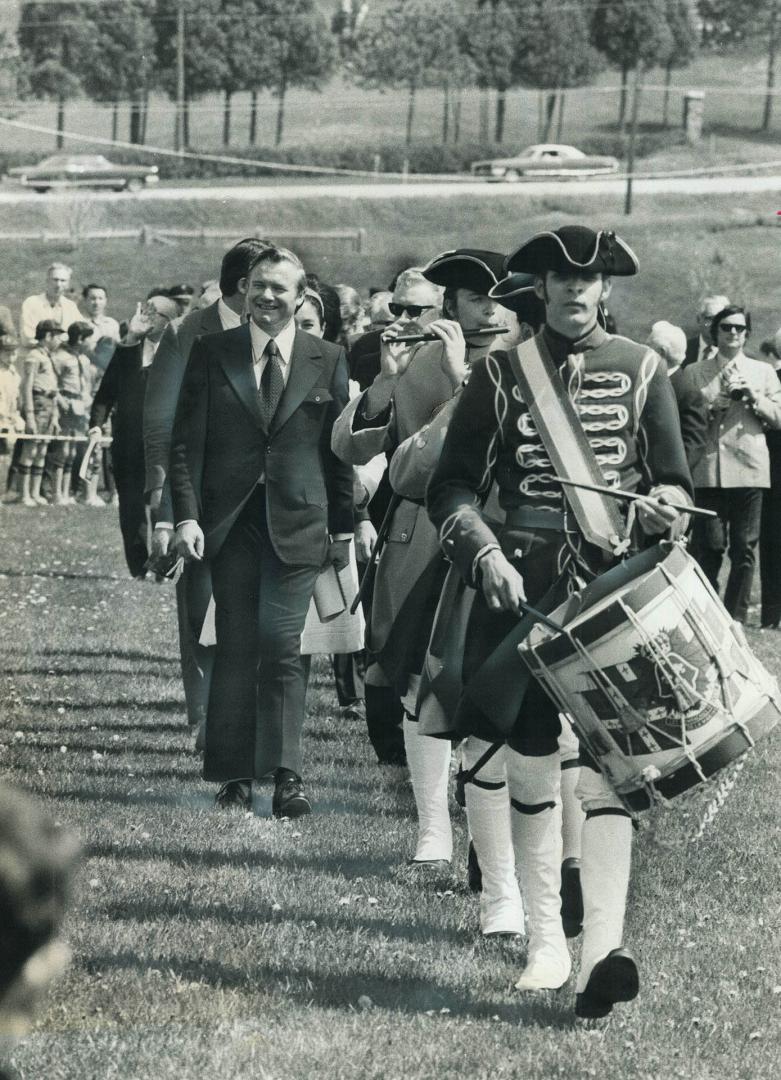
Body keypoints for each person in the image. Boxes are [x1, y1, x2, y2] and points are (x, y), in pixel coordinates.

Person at [426, 225, 692, 1014]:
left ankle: (599, 955)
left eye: (592, 279)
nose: (577, 291)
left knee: (616, 767)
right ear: (538, 288)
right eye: (562, 279)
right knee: (533, 760)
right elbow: (450, 490)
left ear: (606, 288)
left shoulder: (644, 368)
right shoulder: (503, 373)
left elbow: (670, 480)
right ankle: (546, 941)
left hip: (616, 587)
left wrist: (668, 510)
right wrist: (484, 556)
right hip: (526, 583)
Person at [332, 248, 508, 867]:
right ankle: (432, 831)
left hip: (501, 542)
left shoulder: (525, 361)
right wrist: (384, 381)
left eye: (497, 295)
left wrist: (468, 382)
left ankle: (493, 843)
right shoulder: (421, 357)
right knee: (416, 680)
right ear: (453, 304)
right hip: (421, 537)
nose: (489, 308)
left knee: (495, 685)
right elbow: (367, 453)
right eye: (474, 297)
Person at [170, 245, 354, 817]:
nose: (268, 297)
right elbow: (184, 446)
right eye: (259, 287)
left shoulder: (328, 358)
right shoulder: (211, 352)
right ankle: (235, 775)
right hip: (230, 525)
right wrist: (186, 515)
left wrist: (346, 526)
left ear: (302, 297)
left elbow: (340, 453)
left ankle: (286, 774)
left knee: (280, 646)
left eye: (281, 288)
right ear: (244, 292)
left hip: (301, 523)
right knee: (236, 646)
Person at [144, 238, 271, 735]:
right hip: (198, 499)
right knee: (200, 613)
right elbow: (161, 426)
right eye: (264, 283)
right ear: (243, 285)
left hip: (264, 500)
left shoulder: (275, 329)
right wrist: (164, 514)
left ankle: (251, 720)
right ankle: (205, 720)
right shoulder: (186, 333)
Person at [677, 305, 781, 623]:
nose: (733, 333)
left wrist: (753, 396)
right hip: (708, 470)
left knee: (744, 548)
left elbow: (778, 418)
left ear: (747, 334)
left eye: (739, 328)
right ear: (715, 332)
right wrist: (716, 402)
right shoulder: (695, 372)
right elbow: (688, 419)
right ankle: (707, 614)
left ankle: (733, 616)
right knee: (709, 546)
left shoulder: (763, 372)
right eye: (726, 327)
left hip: (750, 469)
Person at [89, 295, 179, 578]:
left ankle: (164, 566)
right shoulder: (128, 350)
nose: (146, 316)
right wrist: (96, 424)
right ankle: (139, 569)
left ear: (169, 322)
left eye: (155, 313)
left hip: (164, 445)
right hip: (127, 444)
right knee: (130, 507)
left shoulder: (180, 353)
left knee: (162, 506)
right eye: (145, 310)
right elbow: (106, 393)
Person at [646, 320, 708, 472]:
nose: (644, 353)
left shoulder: (687, 391)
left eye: (648, 348)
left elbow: (693, 444)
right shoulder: (649, 381)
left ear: (661, 352)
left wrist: (670, 478)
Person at [17, 320, 66, 506]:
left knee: (42, 450)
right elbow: (27, 386)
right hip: (37, 404)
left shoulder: (48, 356)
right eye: (57, 335)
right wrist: (29, 414)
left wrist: (54, 415)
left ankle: (35, 493)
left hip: (48, 405)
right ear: (48, 336)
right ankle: (24, 495)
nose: (59, 340)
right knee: (30, 449)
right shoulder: (34, 356)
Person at [50, 321, 94, 505]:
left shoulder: (84, 360)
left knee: (74, 451)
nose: (91, 343)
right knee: (63, 450)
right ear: (80, 338)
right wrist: (60, 401)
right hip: (66, 406)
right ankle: (56, 492)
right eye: (88, 339)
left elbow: (88, 384)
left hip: (81, 406)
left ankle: (67, 492)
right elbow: (53, 383)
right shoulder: (60, 357)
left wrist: (87, 401)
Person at [759, 328, 781, 629]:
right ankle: (772, 612)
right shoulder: (772, 381)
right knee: (774, 540)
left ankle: (772, 612)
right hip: (774, 470)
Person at [19, 264, 81, 353]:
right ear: (47, 281)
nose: (58, 284)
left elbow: (79, 333)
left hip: (63, 356)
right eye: (55, 280)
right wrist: (61, 340)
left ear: (68, 284)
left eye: (63, 281)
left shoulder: (71, 306)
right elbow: (27, 337)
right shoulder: (31, 303)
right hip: (36, 355)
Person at [682, 293, 730, 368]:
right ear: (699, 319)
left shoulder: (735, 353)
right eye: (710, 319)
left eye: (720, 319)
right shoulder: (683, 349)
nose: (715, 325)